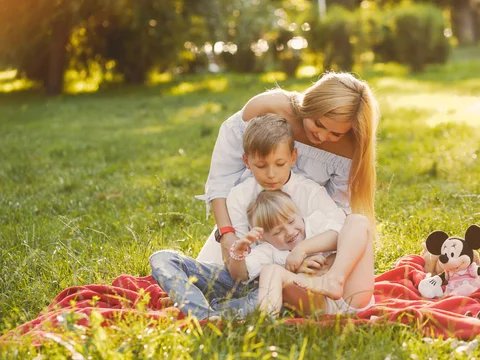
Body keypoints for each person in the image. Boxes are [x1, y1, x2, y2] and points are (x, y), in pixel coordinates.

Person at [150, 114, 346, 320]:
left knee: (265, 298)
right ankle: (205, 315)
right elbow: (237, 274)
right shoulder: (239, 196)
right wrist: (237, 253)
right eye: (261, 166)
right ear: (247, 161)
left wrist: (307, 262)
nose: (271, 174)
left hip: (282, 286)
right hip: (241, 278)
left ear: (293, 157)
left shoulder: (310, 192)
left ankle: (206, 306)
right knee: (162, 258)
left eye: (279, 164)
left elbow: (343, 235)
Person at [198, 72, 380, 265]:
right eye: (318, 124)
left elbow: (336, 210)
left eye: (335, 133)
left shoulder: (348, 149)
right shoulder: (265, 108)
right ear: (309, 104)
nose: (322, 136)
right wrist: (226, 234)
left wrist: (309, 252)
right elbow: (222, 180)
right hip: (247, 222)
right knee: (213, 279)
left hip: (303, 235)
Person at [228, 190, 374, 316]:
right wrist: (238, 252)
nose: (290, 232)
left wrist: (301, 249)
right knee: (271, 270)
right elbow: (241, 275)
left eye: (291, 222)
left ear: (298, 214)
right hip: (318, 305)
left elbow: (339, 235)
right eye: (277, 232)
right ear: (264, 238)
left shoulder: (315, 223)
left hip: (352, 292)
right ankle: (266, 321)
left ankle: (334, 279)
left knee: (357, 221)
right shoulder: (268, 250)